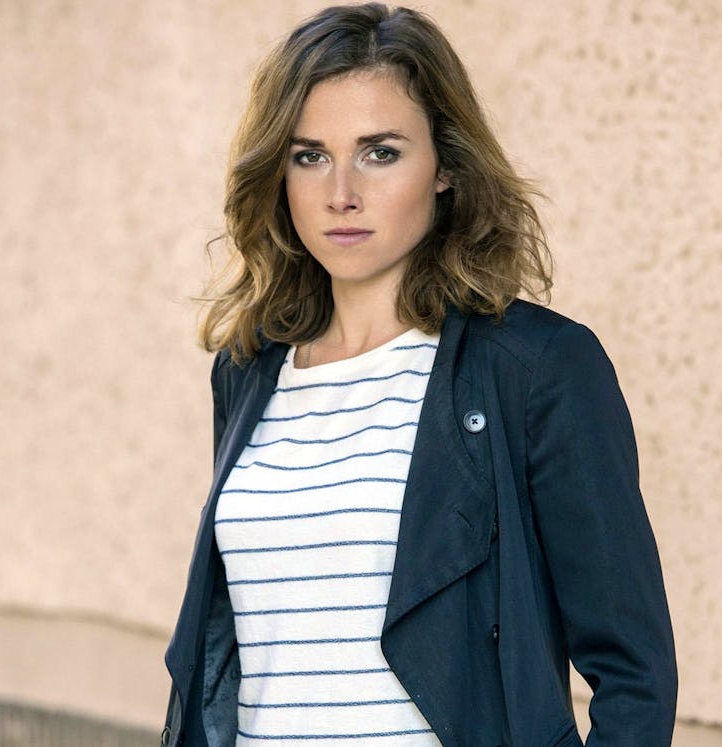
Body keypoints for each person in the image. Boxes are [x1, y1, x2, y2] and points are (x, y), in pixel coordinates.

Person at [162, 4, 677, 746]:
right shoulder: (248, 372)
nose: (341, 192)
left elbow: (634, 671)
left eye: (380, 152)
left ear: (446, 168)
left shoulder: (534, 370)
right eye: (309, 156)